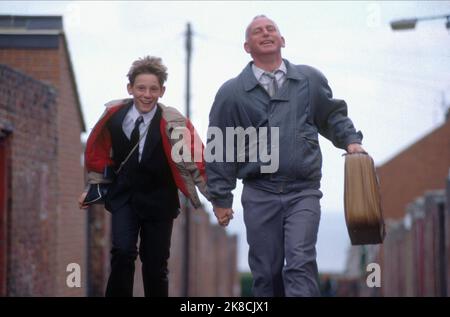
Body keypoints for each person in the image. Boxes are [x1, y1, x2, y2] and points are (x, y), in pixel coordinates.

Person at [205, 15, 366, 297]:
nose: (265, 33)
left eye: (271, 29)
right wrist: (220, 198)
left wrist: (350, 141)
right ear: (247, 46)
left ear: (282, 40)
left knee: (300, 262)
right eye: (258, 31)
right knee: (266, 273)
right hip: (259, 192)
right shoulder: (232, 93)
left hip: (302, 191)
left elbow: (332, 116)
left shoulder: (309, 80)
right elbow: (220, 146)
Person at [78, 56, 208, 297]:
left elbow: (196, 159)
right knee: (122, 252)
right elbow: (100, 154)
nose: (146, 94)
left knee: (156, 265)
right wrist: (92, 188)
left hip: (160, 200)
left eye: (153, 89)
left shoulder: (172, 121)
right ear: (130, 88)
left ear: (162, 91)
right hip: (124, 197)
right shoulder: (114, 117)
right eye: (141, 88)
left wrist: (217, 197)